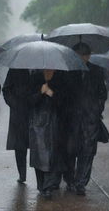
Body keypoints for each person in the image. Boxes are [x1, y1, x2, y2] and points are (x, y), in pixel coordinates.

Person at [65, 42, 107, 196]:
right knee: (70, 150)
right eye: (78, 55)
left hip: (91, 120)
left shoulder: (96, 71)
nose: (82, 58)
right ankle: (69, 178)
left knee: (88, 151)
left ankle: (81, 183)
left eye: (85, 55)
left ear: (89, 56)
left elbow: (102, 93)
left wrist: (97, 109)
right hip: (71, 120)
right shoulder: (68, 71)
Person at [29, 69, 66, 198]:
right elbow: (29, 101)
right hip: (37, 123)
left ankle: (48, 187)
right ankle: (41, 185)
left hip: (55, 123)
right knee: (39, 156)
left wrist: (51, 93)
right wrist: (40, 92)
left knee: (52, 155)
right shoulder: (34, 76)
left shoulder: (60, 77)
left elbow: (65, 101)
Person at [2, 69, 30, 183]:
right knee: (20, 146)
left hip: (37, 111)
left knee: (38, 145)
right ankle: (22, 174)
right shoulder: (15, 70)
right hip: (19, 113)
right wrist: (14, 104)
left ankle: (42, 179)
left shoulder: (39, 70)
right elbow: (6, 89)